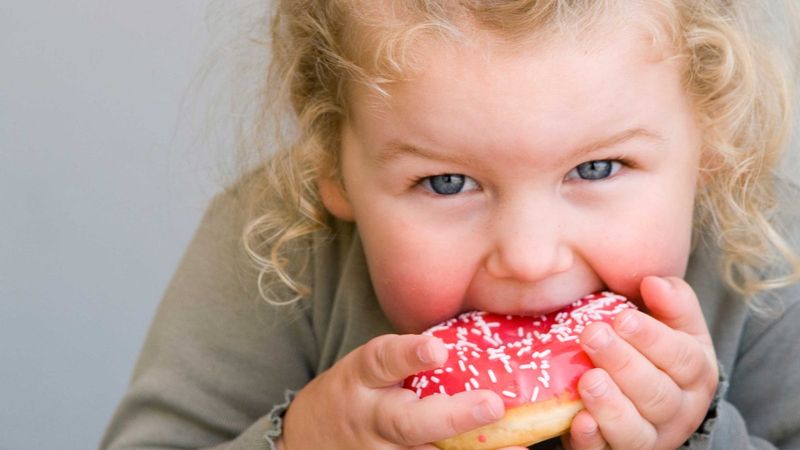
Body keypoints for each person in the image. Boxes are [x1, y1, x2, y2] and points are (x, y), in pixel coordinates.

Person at [100, 1, 800, 449]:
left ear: (712, 142)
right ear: (331, 165)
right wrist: (303, 439)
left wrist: (700, 435)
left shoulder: (769, 255)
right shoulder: (278, 242)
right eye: (447, 183)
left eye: (596, 169)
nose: (529, 258)